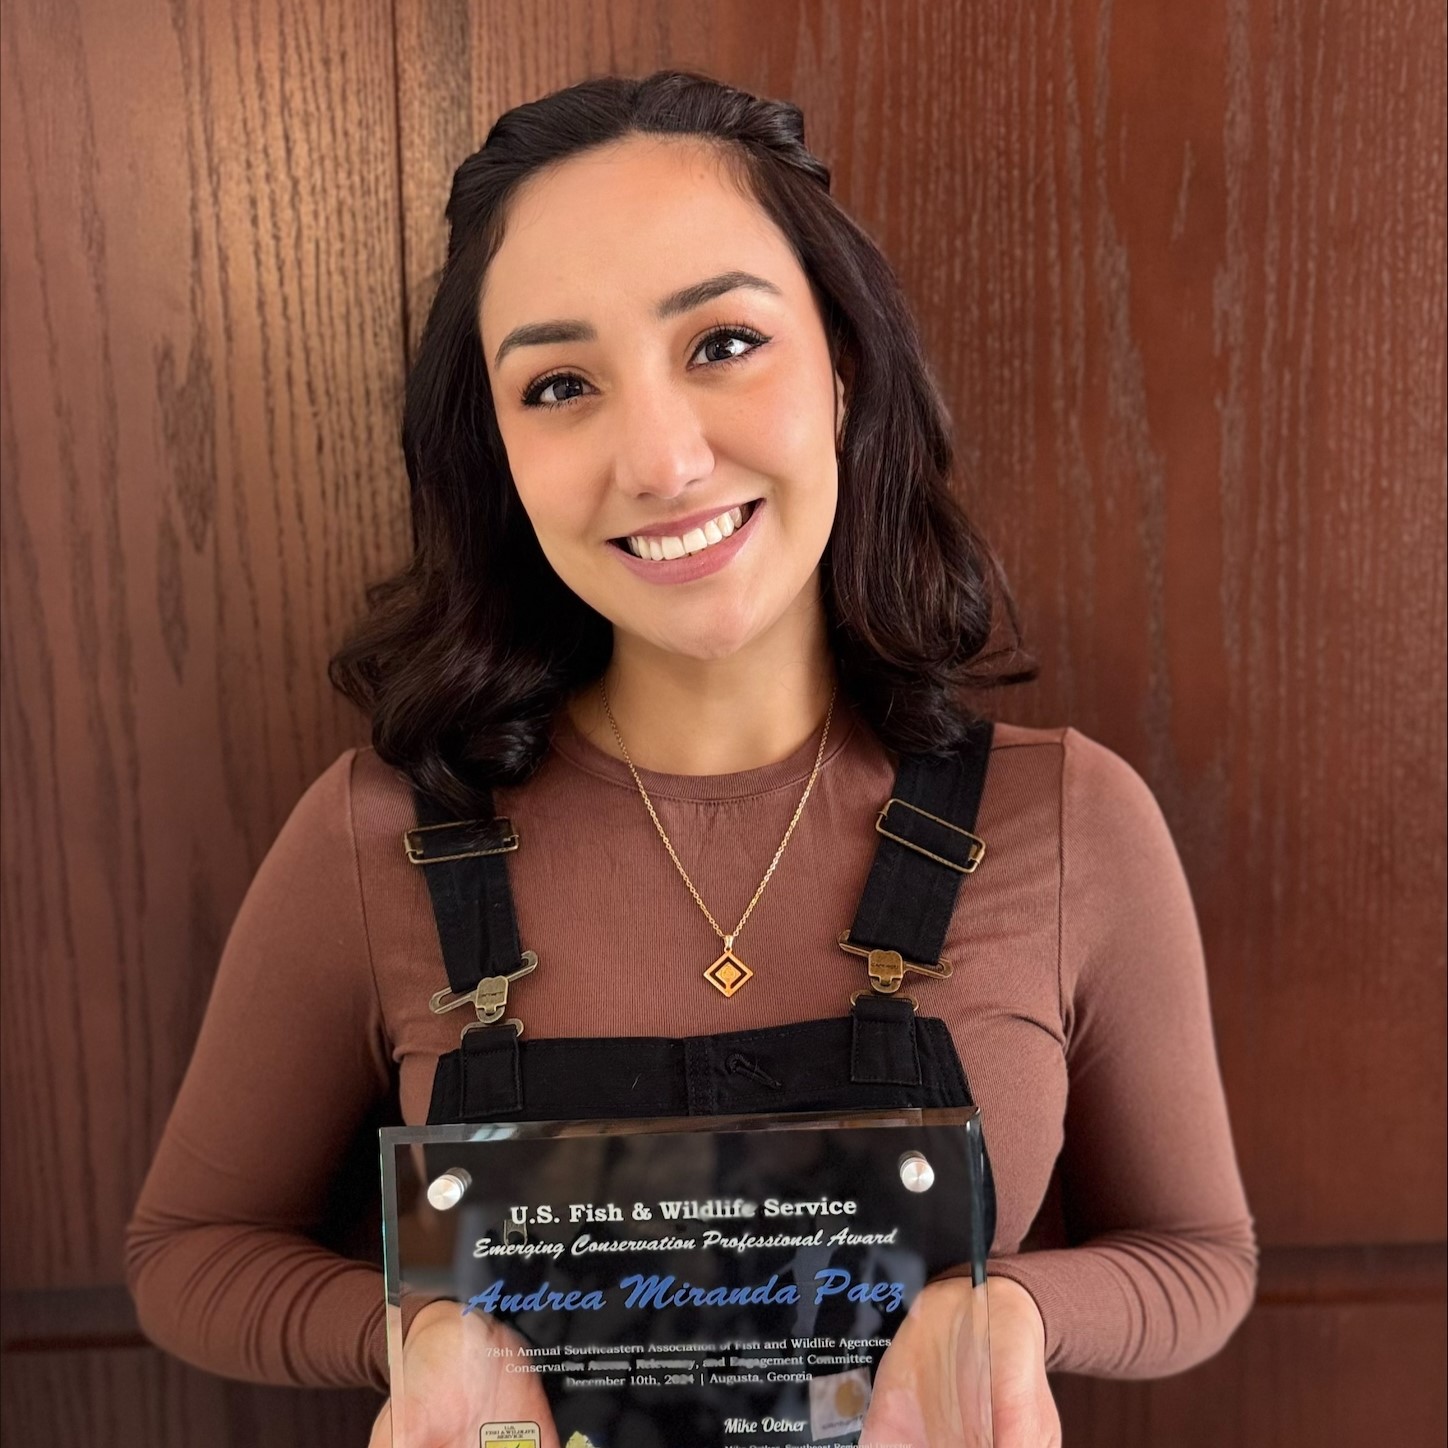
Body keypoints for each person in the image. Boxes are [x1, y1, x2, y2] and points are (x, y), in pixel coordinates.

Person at [125, 69, 1257, 1447]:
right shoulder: (381, 838)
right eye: (560, 384)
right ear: (498, 450)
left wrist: (1011, 1313)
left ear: (843, 365)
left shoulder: (1065, 816)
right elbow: (191, 1251)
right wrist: (412, 1339)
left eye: (722, 343)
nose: (661, 461)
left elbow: (1200, 1257)